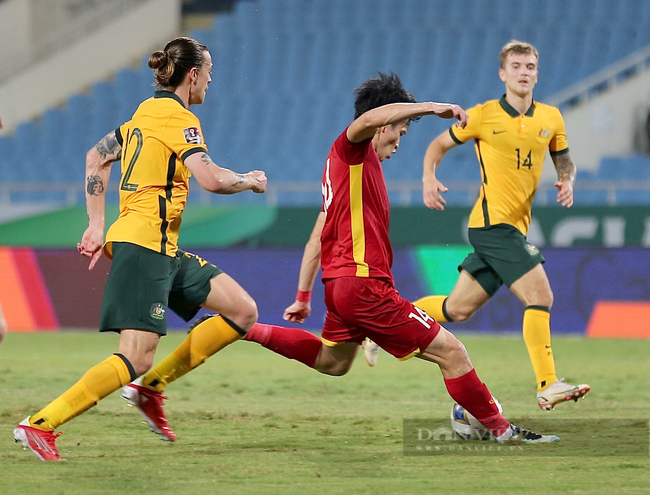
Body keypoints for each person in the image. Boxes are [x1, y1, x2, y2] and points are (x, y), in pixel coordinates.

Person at [130, 73, 559, 445]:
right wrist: (429, 108)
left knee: (333, 362)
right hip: (363, 285)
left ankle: (243, 330)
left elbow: (318, 236)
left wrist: (302, 293)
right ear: (384, 122)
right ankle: (502, 430)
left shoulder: (349, 170)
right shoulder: (352, 149)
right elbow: (367, 121)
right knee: (453, 352)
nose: (399, 140)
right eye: (400, 130)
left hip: (341, 286)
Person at [14, 37, 267, 461]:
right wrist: (248, 180)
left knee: (242, 310)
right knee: (135, 355)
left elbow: (96, 156)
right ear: (192, 75)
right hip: (143, 246)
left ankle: (149, 390)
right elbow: (212, 180)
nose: (210, 80)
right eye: (208, 73)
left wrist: (96, 225)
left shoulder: (142, 115)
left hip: (160, 246)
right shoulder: (179, 119)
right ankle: (39, 425)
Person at [414, 40, 590, 411]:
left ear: (537, 74)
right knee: (540, 296)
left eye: (530, 67)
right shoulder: (482, 116)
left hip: (514, 228)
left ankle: (389, 321)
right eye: (517, 66)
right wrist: (429, 178)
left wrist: (567, 180)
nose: (524, 72)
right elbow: (437, 146)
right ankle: (548, 384)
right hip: (493, 225)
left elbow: (564, 159)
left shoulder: (551, 118)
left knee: (457, 309)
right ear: (503, 73)